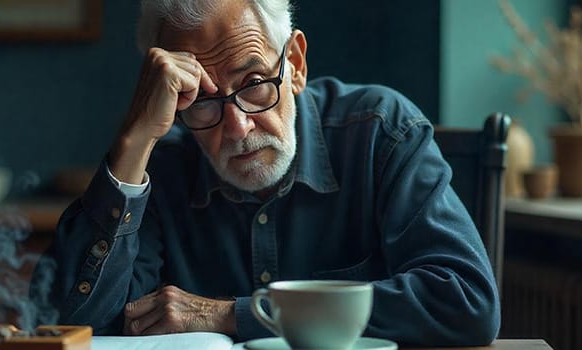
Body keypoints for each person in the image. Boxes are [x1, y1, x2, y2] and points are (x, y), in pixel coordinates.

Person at [31, 0, 500, 346]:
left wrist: (234, 315)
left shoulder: (382, 132)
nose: (236, 128)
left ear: (294, 65)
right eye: (202, 100)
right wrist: (133, 141)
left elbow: (466, 301)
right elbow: (66, 326)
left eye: (254, 84)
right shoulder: (162, 167)